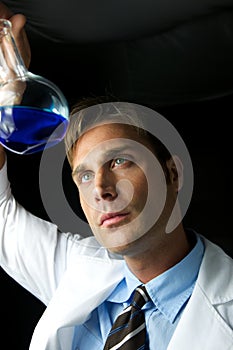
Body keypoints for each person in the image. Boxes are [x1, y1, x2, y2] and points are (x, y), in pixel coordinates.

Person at [0, 5, 233, 350]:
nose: (100, 189)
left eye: (120, 161)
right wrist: (7, 88)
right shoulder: (76, 270)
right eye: (84, 175)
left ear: (172, 172)